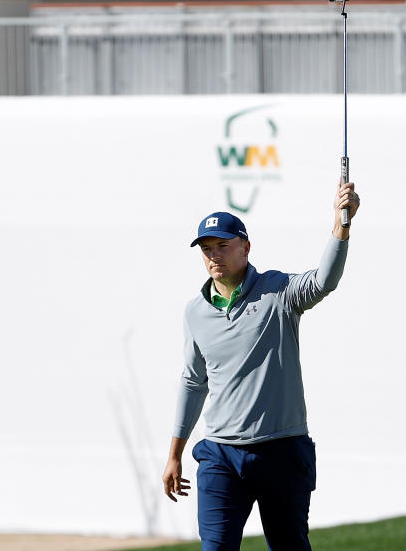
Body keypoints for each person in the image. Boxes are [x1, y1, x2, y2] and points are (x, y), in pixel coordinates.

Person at [163, 181, 361, 550]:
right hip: (220, 454)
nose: (213, 256)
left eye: (223, 246)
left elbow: (324, 281)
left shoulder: (279, 292)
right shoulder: (195, 311)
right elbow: (193, 383)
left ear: (246, 247)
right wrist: (174, 454)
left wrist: (341, 224)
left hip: (282, 451)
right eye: (207, 249)